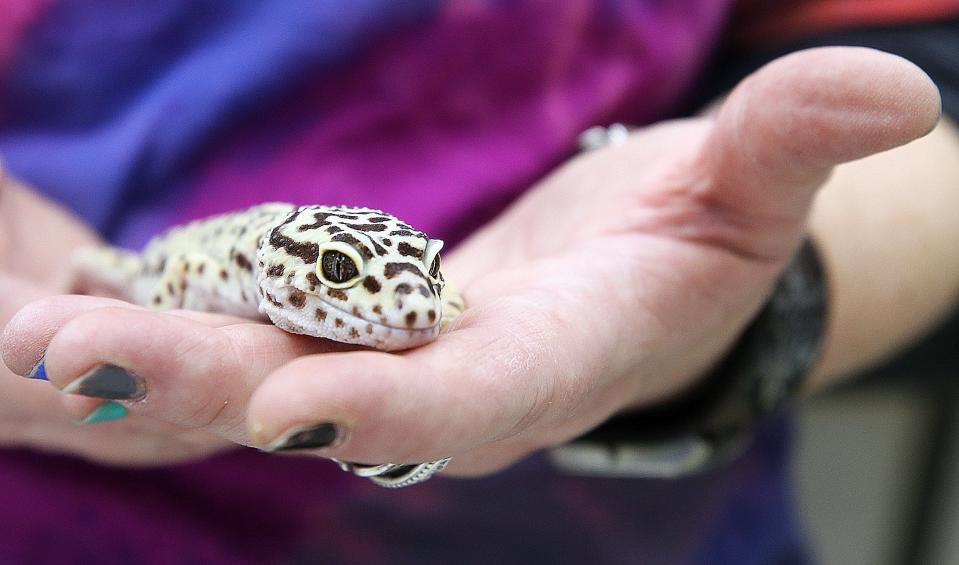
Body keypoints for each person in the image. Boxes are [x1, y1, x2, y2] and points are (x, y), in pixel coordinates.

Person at [0, 2, 957, 563]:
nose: (411, 311)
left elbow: (932, 84)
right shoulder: (196, 267)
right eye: (343, 281)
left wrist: (713, 301)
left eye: (415, 280)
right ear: (264, 273)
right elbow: (121, 278)